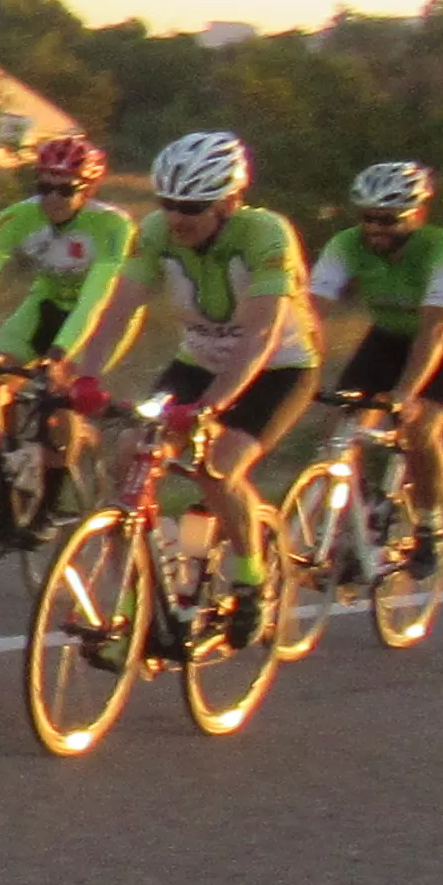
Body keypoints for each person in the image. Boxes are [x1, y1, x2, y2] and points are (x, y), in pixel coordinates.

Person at [111, 128, 316, 642]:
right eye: (169, 203)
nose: (177, 217)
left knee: (218, 465)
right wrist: (82, 374)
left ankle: (250, 580)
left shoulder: (266, 234)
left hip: (276, 367)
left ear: (229, 202)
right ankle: (138, 603)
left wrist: (214, 405)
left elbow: (262, 331)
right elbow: (118, 308)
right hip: (196, 361)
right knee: (127, 453)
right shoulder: (157, 230)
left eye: (194, 207)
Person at [310, 159, 443, 556]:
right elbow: (310, 314)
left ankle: (428, 525)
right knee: (339, 427)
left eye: (388, 220)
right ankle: (360, 513)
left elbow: (435, 330)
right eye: (368, 218)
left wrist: (406, 392)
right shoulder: (346, 244)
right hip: (388, 337)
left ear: (418, 214)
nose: (375, 228)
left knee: (420, 429)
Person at [0, 132, 142, 380]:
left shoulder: (113, 225)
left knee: (59, 388)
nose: (52, 198)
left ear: (88, 190)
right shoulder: (17, 217)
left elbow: (94, 301)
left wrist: (59, 354)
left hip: (103, 317)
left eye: (65, 190)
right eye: (44, 188)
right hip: (46, 303)